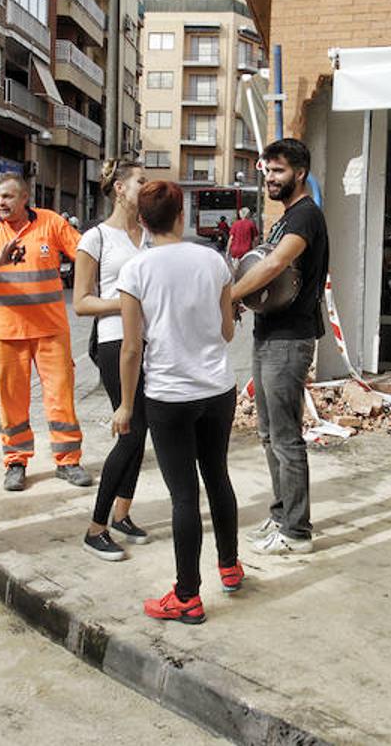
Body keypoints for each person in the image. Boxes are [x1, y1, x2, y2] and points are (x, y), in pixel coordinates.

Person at [113, 181, 242, 624]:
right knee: (218, 478)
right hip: (218, 390)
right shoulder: (213, 260)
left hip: (169, 395)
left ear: (142, 221)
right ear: (182, 216)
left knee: (184, 497)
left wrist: (126, 406)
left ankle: (187, 595)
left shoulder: (136, 270)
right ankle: (230, 567)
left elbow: (132, 348)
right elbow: (227, 331)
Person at [229, 138, 329, 556]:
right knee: (269, 434)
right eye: (267, 171)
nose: (270, 178)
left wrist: (230, 296)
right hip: (269, 332)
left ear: (299, 173)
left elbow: (272, 265)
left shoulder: (305, 216)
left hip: (290, 338)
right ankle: (282, 512)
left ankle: (297, 531)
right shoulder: (286, 216)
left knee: (286, 438)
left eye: (278, 171)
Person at [0, 172, 91, 491]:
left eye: (7, 197)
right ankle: (16, 462)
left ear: (24, 198)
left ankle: (68, 461)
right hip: (3, 331)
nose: (0, 203)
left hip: (50, 329)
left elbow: (85, 254)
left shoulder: (50, 223)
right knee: (11, 399)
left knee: (61, 395)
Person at [73, 159, 152, 561]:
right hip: (115, 343)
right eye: (141, 180)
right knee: (130, 431)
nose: (147, 186)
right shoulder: (96, 238)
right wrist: (126, 306)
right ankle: (95, 528)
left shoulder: (151, 235)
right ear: (119, 188)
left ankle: (122, 514)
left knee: (142, 431)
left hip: (150, 343)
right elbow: (81, 302)